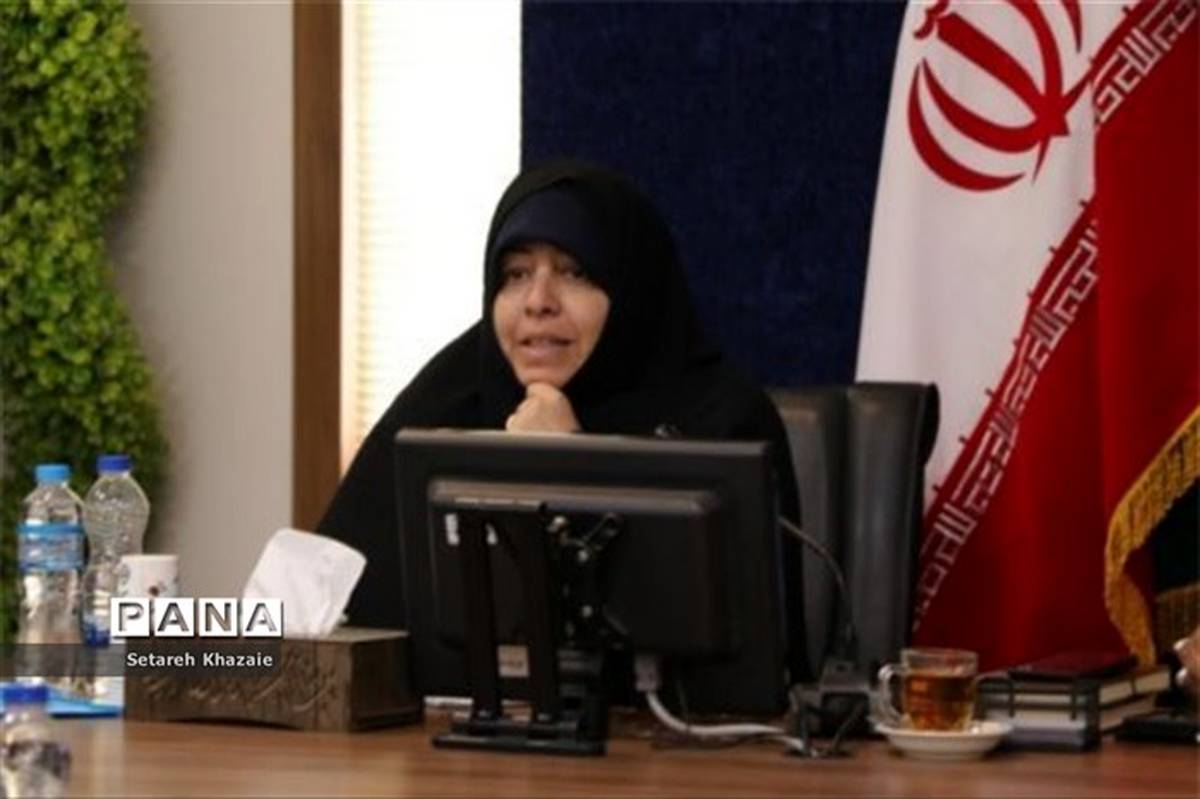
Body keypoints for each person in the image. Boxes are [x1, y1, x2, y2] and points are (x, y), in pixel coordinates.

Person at [317, 160, 808, 681]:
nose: (537, 302)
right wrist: (246, 656)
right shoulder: (450, 400)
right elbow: (308, 609)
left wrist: (570, 463)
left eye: (574, 272)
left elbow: (736, 665)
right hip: (447, 729)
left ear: (631, 290)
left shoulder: (722, 419)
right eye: (516, 274)